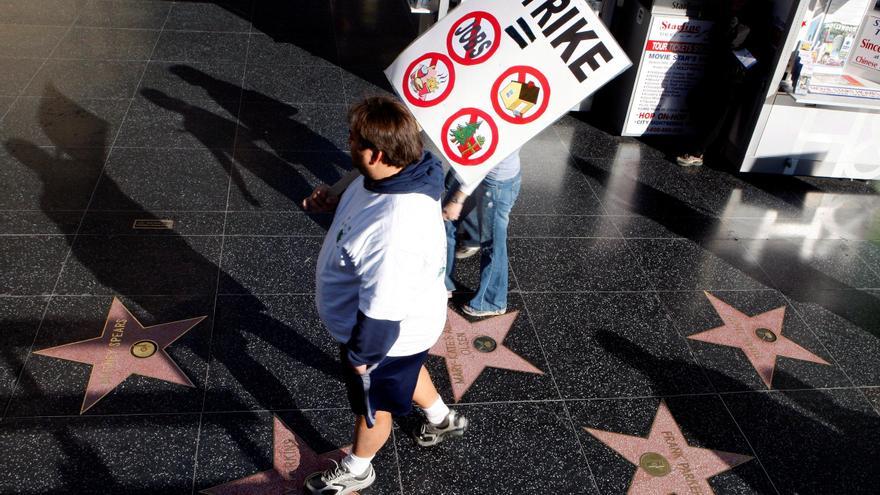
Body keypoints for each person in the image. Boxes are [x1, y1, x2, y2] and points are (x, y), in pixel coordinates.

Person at [302, 96, 468, 495]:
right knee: (406, 371)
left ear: (376, 153)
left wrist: (363, 360)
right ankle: (442, 418)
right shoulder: (405, 169)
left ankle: (359, 468)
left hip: (384, 338)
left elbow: (383, 312)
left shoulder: (395, 232)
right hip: (407, 332)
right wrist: (335, 198)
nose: (348, 142)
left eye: (354, 139)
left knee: (372, 408)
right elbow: (361, 195)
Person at [442, 150, 522, 317]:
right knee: (447, 222)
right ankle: (443, 282)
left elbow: (489, 152)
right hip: (475, 171)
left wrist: (459, 198)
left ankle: (492, 301)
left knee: (492, 244)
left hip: (493, 179)